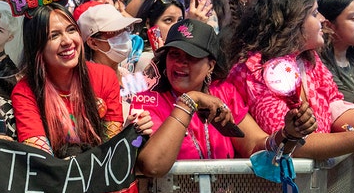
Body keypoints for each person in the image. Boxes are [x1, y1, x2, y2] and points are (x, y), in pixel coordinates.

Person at [133, 19, 316, 177]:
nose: (181, 63)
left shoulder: (224, 92)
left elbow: (254, 146)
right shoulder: (147, 100)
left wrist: (288, 134)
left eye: (192, 56)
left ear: (211, 65)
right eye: (174, 54)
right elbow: (153, 166)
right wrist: (189, 101)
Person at [228, 0, 354, 159]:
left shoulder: (308, 59)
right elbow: (293, 144)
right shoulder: (256, 70)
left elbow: (336, 113)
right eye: (314, 13)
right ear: (292, 23)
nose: (322, 19)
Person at [12, 3, 151, 159]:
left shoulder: (104, 77)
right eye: (54, 35)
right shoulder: (24, 92)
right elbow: (42, 159)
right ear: (37, 47)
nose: (67, 41)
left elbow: (110, 149)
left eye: (71, 30)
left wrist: (128, 133)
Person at [77, 3, 140, 78]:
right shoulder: (90, 82)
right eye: (113, 32)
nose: (124, 35)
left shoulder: (126, 75)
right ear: (93, 43)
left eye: (125, 28)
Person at [134, 0, 185, 72]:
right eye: (168, 20)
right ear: (148, 23)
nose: (176, 26)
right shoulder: (146, 59)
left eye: (180, 20)